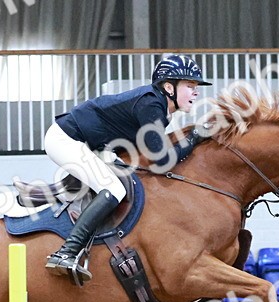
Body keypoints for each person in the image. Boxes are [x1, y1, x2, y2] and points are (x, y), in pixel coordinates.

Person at [42, 54, 213, 281]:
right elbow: (162, 161)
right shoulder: (152, 104)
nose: (196, 92)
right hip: (66, 139)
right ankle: (66, 252)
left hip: (91, 144)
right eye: (190, 86)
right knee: (114, 188)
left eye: (196, 87)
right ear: (169, 87)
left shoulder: (158, 108)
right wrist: (193, 139)